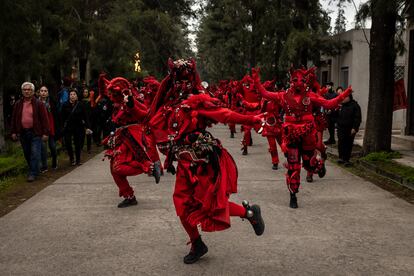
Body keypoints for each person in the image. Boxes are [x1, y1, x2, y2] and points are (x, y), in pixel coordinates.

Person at [148, 58, 265, 264]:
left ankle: (249, 213)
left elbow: (225, 114)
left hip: (203, 165)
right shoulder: (168, 106)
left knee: (210, 205)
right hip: (184, 165)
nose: (180, 84)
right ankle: (197, 244)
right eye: (177, 80)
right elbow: (148, 120)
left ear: (191, 80)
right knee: (183, 208)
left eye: (185, 80)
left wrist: (251, 119)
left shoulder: (197, 101)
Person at [252, 67, 353, 209]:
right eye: (295, 79)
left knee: (309, 164)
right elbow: (265, 93)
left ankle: (319, 165)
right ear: (291, 81)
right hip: (291, 136)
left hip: (307, 135)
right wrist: (256, 80)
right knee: (293, 167)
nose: (298, 82)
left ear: (305, 81)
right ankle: (293, 196)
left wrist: (343, 96)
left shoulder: (310, 96)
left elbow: (328, 104)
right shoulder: (283, 95)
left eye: (301, 80)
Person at [11, 82, 50, 182]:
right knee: (27, 153)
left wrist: (46, 133)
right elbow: (14, 119)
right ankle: (35, 168)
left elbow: (44, 119)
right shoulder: (18, 104)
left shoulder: (38, 104)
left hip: (35, 133)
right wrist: (13, 132)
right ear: (22, 91)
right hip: (23, 132)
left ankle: (32, 173)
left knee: (35, 153)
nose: (27, 91)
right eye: (25, 89)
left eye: (29, 90)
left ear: (33, 91)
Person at [61, 89, 92, 165]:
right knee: (68, 143)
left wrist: (88, 127)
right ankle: (72, 158)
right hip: (68, 127)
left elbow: (85, 117)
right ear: (69, 96)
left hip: (78, 126)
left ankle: (78, 159)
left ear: (77, 96)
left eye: (74, 94)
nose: (72, 96)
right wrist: (61, 127)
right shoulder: (65, 105)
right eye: (71, 94)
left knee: (78, 143)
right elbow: (61, 117)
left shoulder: (81, 105)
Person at [336, 90, 361, 166]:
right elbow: (337, 116)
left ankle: (347, 159)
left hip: (350, 128)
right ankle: (341, 157)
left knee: (348, 144)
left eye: (344, 97)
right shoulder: (341, 106)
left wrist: (355, 128)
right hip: (341, 128)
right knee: (341, 143)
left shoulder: (355, 106)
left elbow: (357, 118)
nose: (342, 99)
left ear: (349, 97)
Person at [39, 85, 58, 171]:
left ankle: (54, 162)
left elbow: (56, 116)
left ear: (48, 93)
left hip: (51, 128)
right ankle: (44, 166)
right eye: (42, 91)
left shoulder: (52, 102)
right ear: (39, 92)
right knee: (43, 149)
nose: (43, 93)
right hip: (41, 129)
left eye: (45, 91)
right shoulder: (36, 103)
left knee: (53, 147)